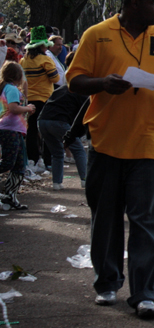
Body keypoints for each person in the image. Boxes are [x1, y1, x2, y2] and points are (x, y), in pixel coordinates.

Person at [67, 0, 154, 318]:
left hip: (149, 142)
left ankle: (147, 293)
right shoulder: (97, 35)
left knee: (149, 220)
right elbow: (75, 81)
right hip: (105, 142)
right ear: (133, 3)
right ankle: (107, 283)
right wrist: (102, 84)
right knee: (105, 219)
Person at [38, 53, 89, 191]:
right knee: (78, 150)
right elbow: (85, 114)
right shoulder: (81, 91)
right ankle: (85, 180)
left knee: (57, 153)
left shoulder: (62, 89)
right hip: (59, 122)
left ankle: (57, 183)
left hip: (42, 121)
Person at [21, 25, 59, 170]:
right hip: (44, 98)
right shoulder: (46, 60)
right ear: (43, 45)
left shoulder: (23, 60)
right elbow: (55, 79)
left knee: (31, 131)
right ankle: (47, 161)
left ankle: (33, 159)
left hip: (29, 99)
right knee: (46, 131)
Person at [0, 62, 36, 210]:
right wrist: (28, 108)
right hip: (10, 130)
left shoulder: (8, 88)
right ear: (18, 75)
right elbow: (14, 108)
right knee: (9, 162)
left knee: (20, 164)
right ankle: (9, 194)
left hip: (16, 130)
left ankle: (10, 195)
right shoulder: (12, 89)